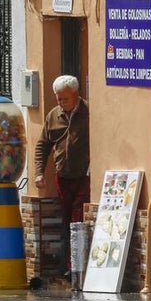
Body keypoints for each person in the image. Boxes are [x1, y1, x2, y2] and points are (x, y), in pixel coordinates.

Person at [34, 74, 90, 277]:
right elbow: (42, 145)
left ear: (75, 95)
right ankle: (69, 266)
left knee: (78, 219)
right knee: (66, 221)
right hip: (63, 176)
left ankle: (76, 266)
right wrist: (39, 173)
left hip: (84, 176)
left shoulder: (88, 113)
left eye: (64, 99)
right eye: (58, 98)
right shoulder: (53, 116)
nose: (60, 102)